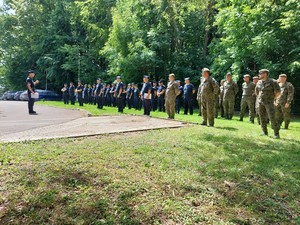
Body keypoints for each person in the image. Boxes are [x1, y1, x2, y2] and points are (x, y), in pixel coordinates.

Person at [255, 69, 281, 138]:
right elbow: (257, 91)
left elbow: (278, 92)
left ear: (265, 74)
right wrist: (259, 98)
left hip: (269, 102)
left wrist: (273, 98)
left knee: (272, 117)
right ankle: (264, 131)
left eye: (261, 73)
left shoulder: (273, 81)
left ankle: (276, 134)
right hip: (261, 102)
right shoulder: (259, 82)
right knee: (261, 117)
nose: (259, 75)